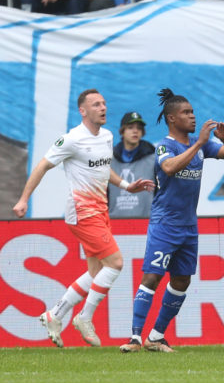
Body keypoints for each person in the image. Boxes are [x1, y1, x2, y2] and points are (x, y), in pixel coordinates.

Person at [12, 89, 152, 348]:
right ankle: (84, 317)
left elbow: (102, 168)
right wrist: (23, 199)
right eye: (96, 104)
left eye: (104, 103)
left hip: (101, 209)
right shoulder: (71, 140)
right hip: (82, 211)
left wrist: (125, 184)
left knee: (96, 271)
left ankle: (55, 314)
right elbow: (43, 165)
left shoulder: (108, 136)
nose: (103, 107)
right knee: (116, 263)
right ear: (83, 110)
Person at [120, 88, 224, 352]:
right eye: (186, 113)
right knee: (152, 277)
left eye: (192, 111)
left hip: (188, 226)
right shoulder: (166, 145)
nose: (192, 116)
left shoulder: (202, 144)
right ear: (172, 118)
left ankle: (157, 336)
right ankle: (135, 337)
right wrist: (199, 144)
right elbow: (169, 167)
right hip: (164, 223)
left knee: (182, 280)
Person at [108, 111, 156, 218]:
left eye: (139, 128)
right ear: (122, 131)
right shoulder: (109, 159)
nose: (135, 131)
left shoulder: (153, 158)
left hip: (146, 222)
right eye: (130, 127)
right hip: (114, 222)